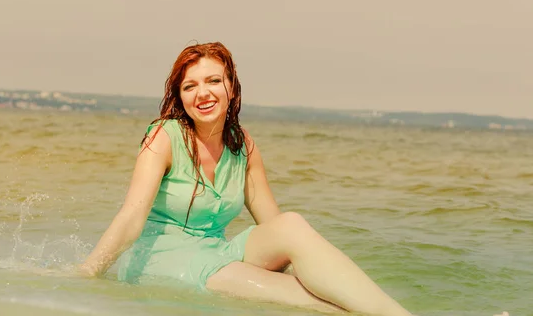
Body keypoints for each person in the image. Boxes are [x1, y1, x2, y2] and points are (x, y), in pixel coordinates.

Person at [79, 42, 413, 315]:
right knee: (322, 305)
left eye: (213, 81)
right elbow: (131, 218)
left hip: (217, 250)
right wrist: (88, 272)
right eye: (189, 86)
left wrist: (313, 273)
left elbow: (277, 228)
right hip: (162, 260)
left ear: (231, 87)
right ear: (179, 97)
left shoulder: (243, 145)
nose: (202, 93)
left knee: (295, 227)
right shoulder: (164, 137)